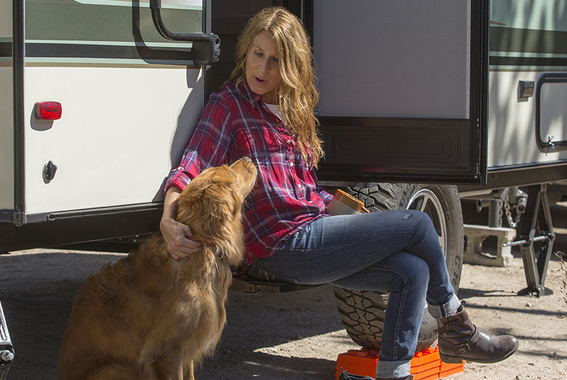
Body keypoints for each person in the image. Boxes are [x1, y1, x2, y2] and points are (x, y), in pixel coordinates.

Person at [160, 7, 518, 380]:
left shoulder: (292, 111)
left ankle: (394, 374)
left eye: (276, 61)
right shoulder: (229, 105)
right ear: (245, 52)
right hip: (277, 244)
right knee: (418, 224)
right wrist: (169, 218)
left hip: (312, 230)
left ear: (293, 65)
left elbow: (305, 190)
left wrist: (349, 217)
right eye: (257, 55)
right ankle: (458, 328)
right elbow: (190, 165)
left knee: (411, 272)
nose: (262, 69)